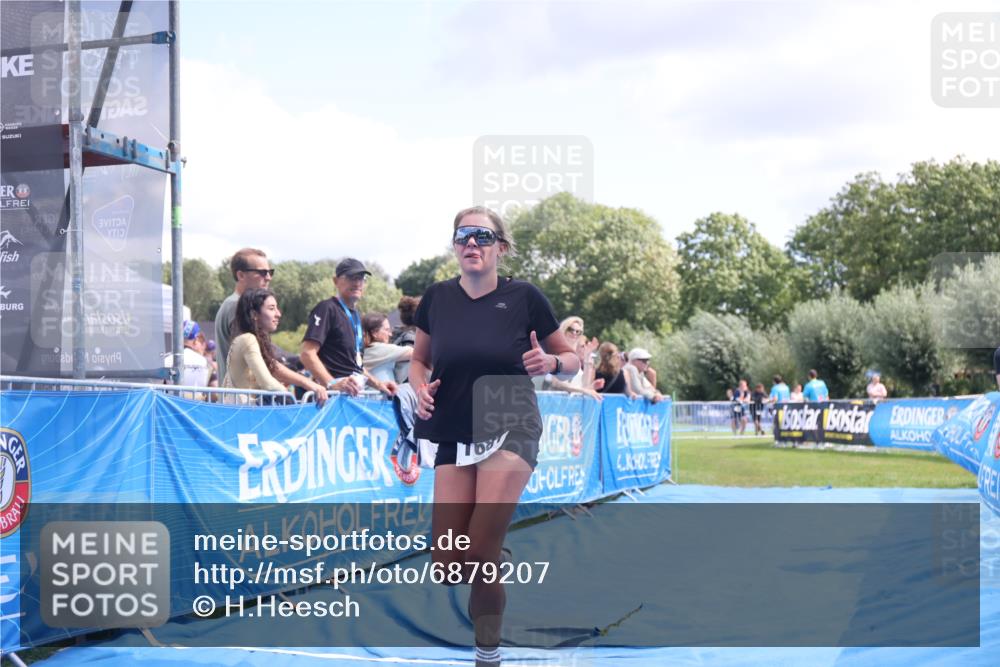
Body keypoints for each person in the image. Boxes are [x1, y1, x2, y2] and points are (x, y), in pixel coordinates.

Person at [410, 206, 579, 667]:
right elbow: (418, 360)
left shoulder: (525, 296)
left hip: (510, 420)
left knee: (480, 551)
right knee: (447, 564)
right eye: (463, 235)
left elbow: (571, 358)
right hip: (452, 427)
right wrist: (419, 387)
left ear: (500, 247)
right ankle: (492, 547)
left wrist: (551, 363)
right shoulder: (437, 298)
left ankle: (488, 654)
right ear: (454, 245)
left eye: (482, 236)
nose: (471, 243)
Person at [300, 258, 398, 398]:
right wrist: (331, 383)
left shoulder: (356, 315)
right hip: (333, 397)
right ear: (336, 281)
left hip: (352, 393)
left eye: (361, 278)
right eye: (352, 277)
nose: (357, 283)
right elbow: (307, 354)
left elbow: (353, 366)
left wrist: (379, 384)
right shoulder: (327, 308)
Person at [223, 288, 328, 406]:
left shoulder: (250, 339)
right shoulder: (248, 339)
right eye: (272, 308)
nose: (278, 314)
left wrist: (306, 383)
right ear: (254, 314)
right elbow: (267, 383)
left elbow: (273, 368)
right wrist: (293, 403)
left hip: (242, 413)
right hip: (243, 415)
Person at [215, 248, 273, 385]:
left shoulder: (236, 304)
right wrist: (307, 383)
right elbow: (257, 360)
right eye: (262, 272)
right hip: (239, 402)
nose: (268, 277)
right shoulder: (236, 305)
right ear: (241, 275)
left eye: (270, 272)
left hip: (240, 400)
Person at [547, 316, 603, 400]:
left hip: (571, 406)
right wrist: (583, 391)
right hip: (553, 404)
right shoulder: (556, 352)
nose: (574, 333)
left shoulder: (575, 357)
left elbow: (585, 385)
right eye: (571, 329)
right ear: (564, 330)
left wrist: (587, 357)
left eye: (578, 332)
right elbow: (557, 383)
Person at [362, 312, 413, 386]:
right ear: (374, 333)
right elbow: (415, 353)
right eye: (387, 330)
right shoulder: (378, 348)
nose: (390, 334)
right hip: (381, 395)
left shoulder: (363, 349)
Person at [179, 320, 210, 389]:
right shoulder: (202, 361)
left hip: (169, 399)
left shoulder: (167, 359)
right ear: (195, 339)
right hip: (193, 399)